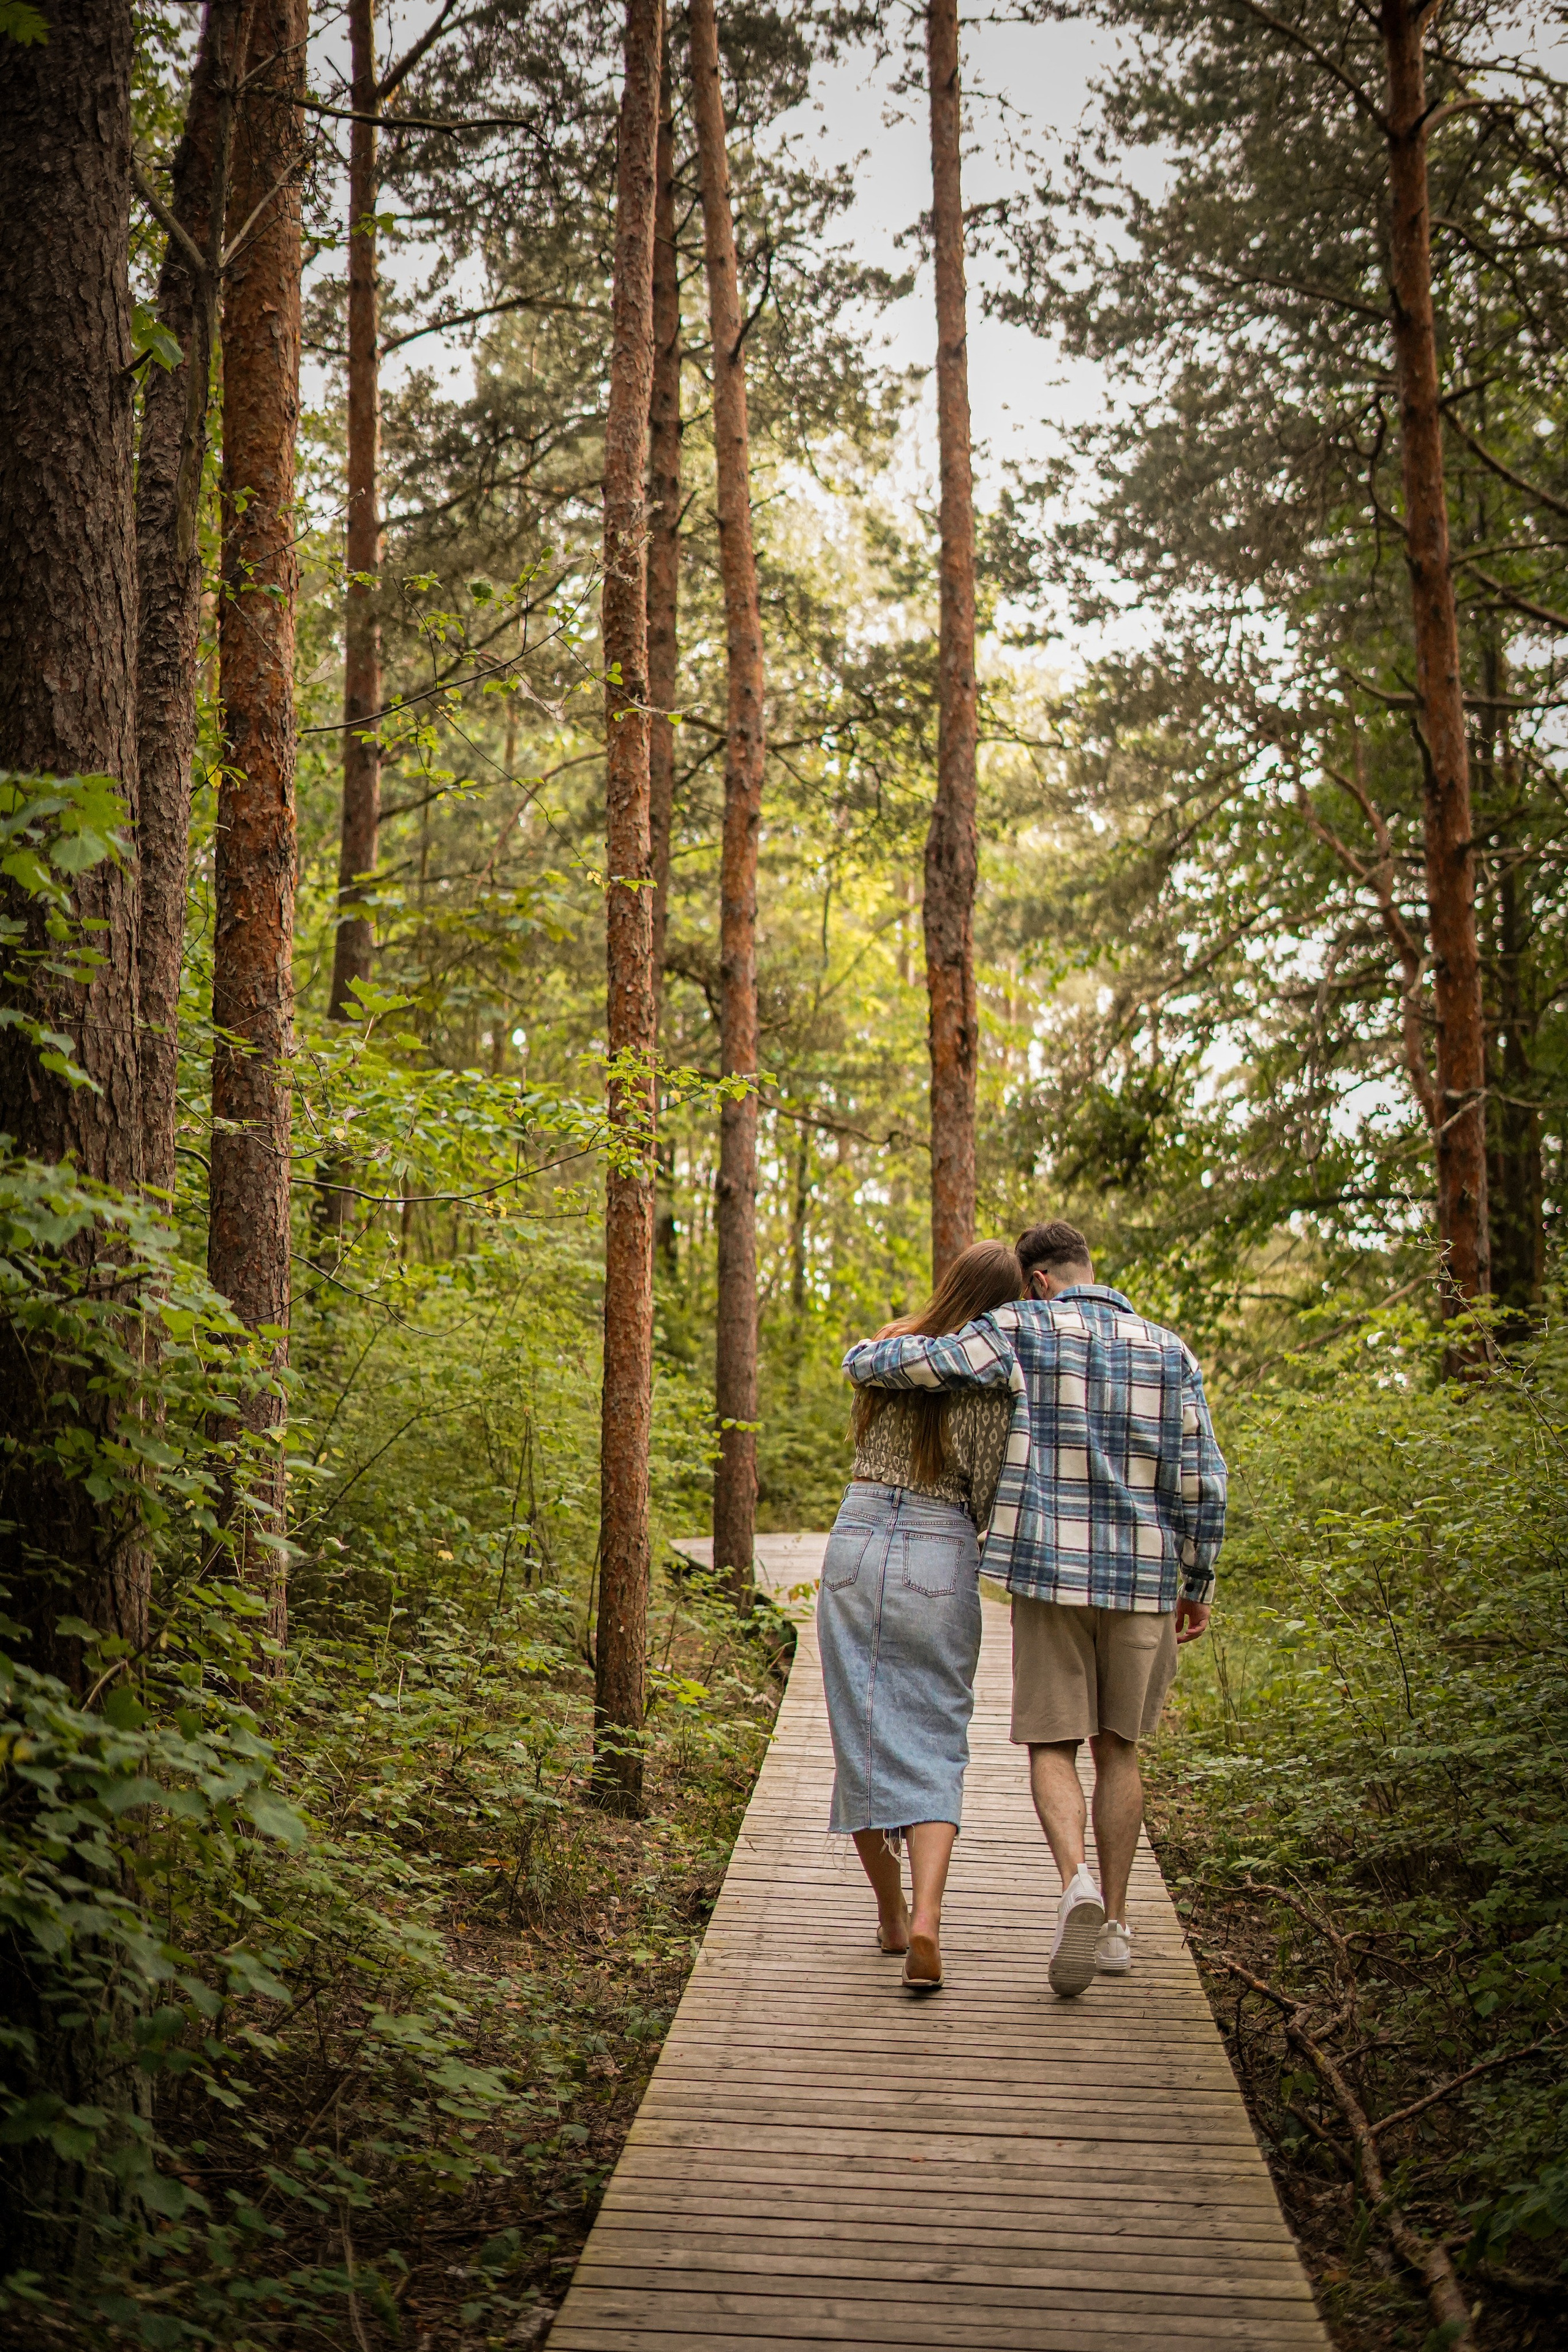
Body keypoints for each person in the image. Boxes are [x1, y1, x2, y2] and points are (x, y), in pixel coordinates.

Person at [842, 1216, 1226, 2000]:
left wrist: (866, 1351)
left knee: (1052, 1746)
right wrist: (1198, 1581)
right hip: (1148, 1579)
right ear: (1088, 1267)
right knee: (1120, 1747)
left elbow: (912, 1361)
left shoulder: (1017, 1329)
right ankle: (1114, 1924)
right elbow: (1204, 1480)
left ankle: (1073, 1880)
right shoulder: (1170, 1350)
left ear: (1040, 1279)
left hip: (1051, 1575)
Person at [818, 1240, 1026, 1995]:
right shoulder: (999, 1381)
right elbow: (996, 1492)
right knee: (936, 1737)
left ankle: (891, 1915)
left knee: (861, 1730)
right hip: (941, 1543)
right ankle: (931, 1918)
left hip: (857, 1532)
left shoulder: (894, 1346)